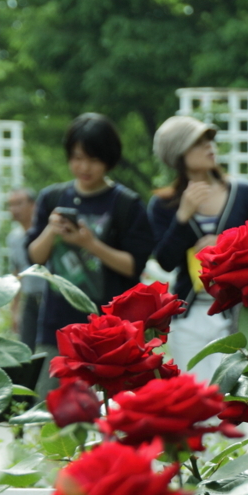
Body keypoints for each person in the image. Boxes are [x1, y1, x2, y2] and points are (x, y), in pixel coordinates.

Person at [26, 113, 155, 395]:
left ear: (109, 159)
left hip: (110, 330)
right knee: (51, 409)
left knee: (112, 408)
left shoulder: (126, 204)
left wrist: (90, 243)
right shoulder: (52, 197)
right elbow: (34, 258)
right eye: (76, 157)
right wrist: (50, 230)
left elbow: (132, 265)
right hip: (57, 325)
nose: (83, 167)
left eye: (93, 159)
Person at [148, 115, 248, 380]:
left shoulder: (245, 193)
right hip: (189, 316)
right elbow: (165, 260)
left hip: (242, 311)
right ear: (178, 154)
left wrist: (226, 244)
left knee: (243, 398)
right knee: (198, 400)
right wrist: (182, 217)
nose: (209, 147)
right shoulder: (163, 205)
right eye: (197, 143)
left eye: (209, 140)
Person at [6, 188, 44, 351]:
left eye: (19, 203)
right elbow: (16, 274)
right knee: (26, 348)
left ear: (33, 205)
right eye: (11, 205)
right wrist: (15, 311)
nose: (14, 209)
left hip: (49, 298)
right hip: (30, 300)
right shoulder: (13, 238)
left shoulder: (44, 234)